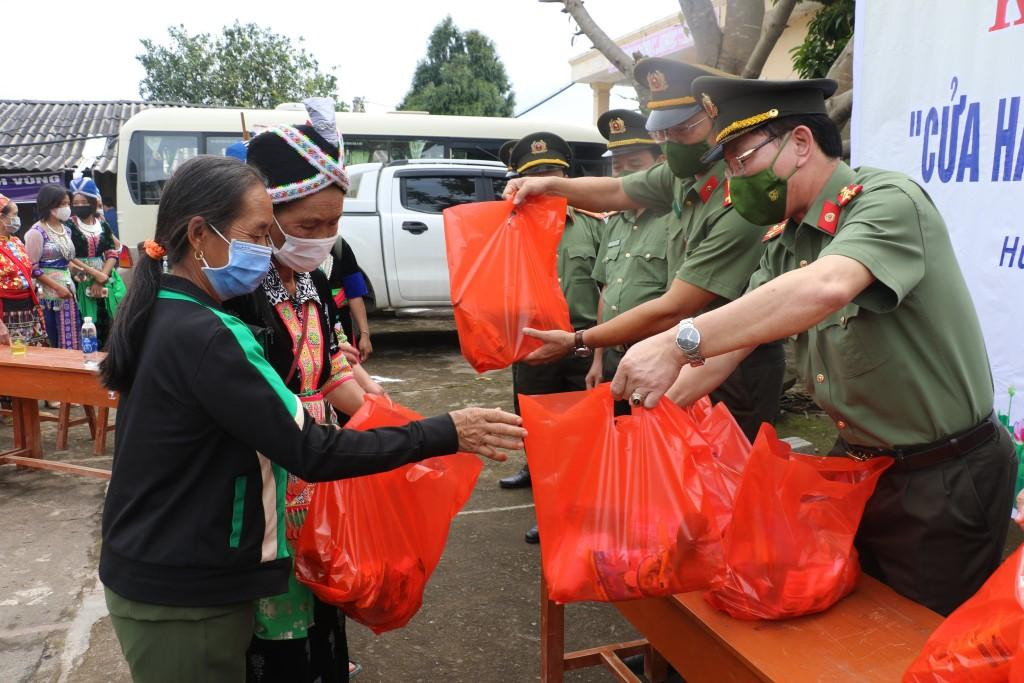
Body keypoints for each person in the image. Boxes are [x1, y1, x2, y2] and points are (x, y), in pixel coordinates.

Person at [98, 154, 526, 683]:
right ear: (200, 234)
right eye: (258, 232)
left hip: (174, 558)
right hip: (184, 582)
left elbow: (326, 378)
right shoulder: (208, 333)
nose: (268, 245)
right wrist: (445, 432)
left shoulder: (171, 308)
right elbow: (313, 449)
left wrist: (393, 417)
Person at [610, 75, 1016, 617]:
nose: (735, 183)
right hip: (858, 468)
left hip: (943, 477)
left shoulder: (886, 202)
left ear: (800, 143)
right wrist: (641, 427)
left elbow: (826, 287)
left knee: (915, 640)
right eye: (727, 166)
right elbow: (727, 351)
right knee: (841, 623)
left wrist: (679, 340)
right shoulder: (788, 239)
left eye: (742, 159)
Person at [503, 58, 785, 442]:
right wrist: (546, 187)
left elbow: (676, 305)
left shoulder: (739, 200)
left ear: (718, 121)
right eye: (662, 132)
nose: (670, 142)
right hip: (684, 353)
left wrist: (579, 341)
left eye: (683, 129)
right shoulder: (683, 176)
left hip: (731, 363)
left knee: (728, 477)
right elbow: (616, 191)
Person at [224, 99, 368, 682]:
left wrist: (389, 423)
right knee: (275, 614)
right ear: (267, 215)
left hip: (320, 466)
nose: (324, 239)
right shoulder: (238, 289)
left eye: (335, 224)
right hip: (266, 468)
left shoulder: (310, 275)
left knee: (325, 595)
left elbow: (331, 365)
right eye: (310, 225)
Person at [495, 132, 606, 545]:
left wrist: (596, 346)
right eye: (535, 172)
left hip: (581, 341)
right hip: (532, 343)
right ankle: (538, 478)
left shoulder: (593, 225)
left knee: (578, 430)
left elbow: (607, 285)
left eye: (552, 172)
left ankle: (566, 506)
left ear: (566, 176)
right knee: (533, 421)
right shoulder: (509, 224)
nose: (544, 179)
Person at [590, 109, 672, 399]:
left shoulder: (675, 220)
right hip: (614, 357)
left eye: (634, 163)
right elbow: (606, 290)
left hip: (657, 357)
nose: (623, 173)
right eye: (616, 166)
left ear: (661, 164)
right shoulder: (613, 222)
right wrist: (598, 359)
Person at [68, 176, 125, 346]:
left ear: (93, 202)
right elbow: (69, 255)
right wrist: (93, 275)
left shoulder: (103, 225)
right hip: (80, 280)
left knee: (108, 322)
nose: (79, 206)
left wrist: (102, 278)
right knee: (85, 324)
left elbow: (112, 253)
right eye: (75, 203)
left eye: (83, 202)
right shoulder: (69, 226)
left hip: (104, 279)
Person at [25, 184, 79, 349]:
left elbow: (68, 259)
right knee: (53, 335)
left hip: (68, 289)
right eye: (62, 204)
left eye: (68, 204)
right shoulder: (36, 232)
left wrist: (76, 272)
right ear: (50, 205)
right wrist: (57, 287)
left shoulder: (66, 230)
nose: (66, 208)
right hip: (47, 295)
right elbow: (32, 268)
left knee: (71, 336)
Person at [0, 193, 47, 346]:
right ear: (1, 217)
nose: (17, 219)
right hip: (5, 311)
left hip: (27, 308)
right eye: (15, 215)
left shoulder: (16, 241)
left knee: (32, 358)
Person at [323, 237, 373, 362]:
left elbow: (355, 293)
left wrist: (364, 335)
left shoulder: (339, 246)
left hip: (340, 326)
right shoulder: (294, 250)